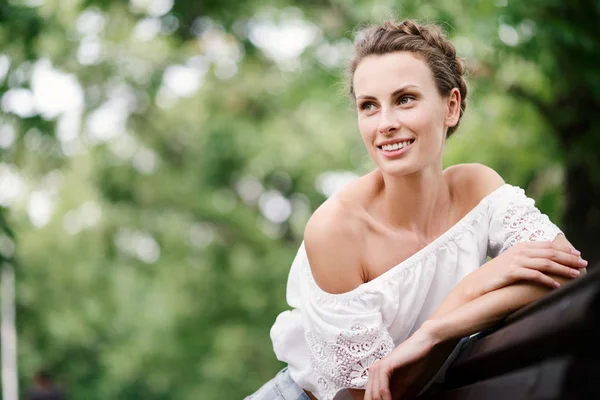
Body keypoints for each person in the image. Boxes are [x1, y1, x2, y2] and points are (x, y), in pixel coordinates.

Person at [246, 19, 587, 400]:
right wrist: (467, 292)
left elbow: (566, 269)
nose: (386, 124)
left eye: (405, 99)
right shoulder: (337, 228)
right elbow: (378, 396)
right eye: (369, 106)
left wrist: (435, 331)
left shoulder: (479, 189)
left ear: (451, 107)